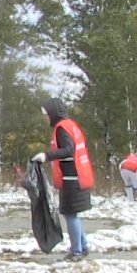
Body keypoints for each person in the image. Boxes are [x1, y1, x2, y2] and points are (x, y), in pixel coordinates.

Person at [31, 97, 94, 261]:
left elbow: (68, 150)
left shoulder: (62, 129)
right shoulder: (70, 125)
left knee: (70, 213)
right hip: (78, 176)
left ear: (52, 113)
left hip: (72, 178)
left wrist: (46, 156)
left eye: (46, 114)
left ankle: (77, 251)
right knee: (72, 214)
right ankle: (82, 246)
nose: (45, 118)